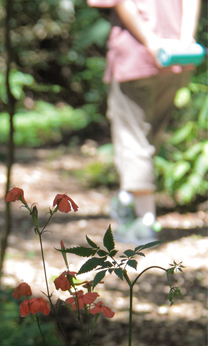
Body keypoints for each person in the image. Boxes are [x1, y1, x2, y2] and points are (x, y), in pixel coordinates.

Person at [87, 0, 201, 243]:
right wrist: (186, 40)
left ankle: (144, 222)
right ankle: (128, 198)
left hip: (138, 55)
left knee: (134, 139)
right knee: (151, 135)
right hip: (176, 57)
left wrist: (151, 42)